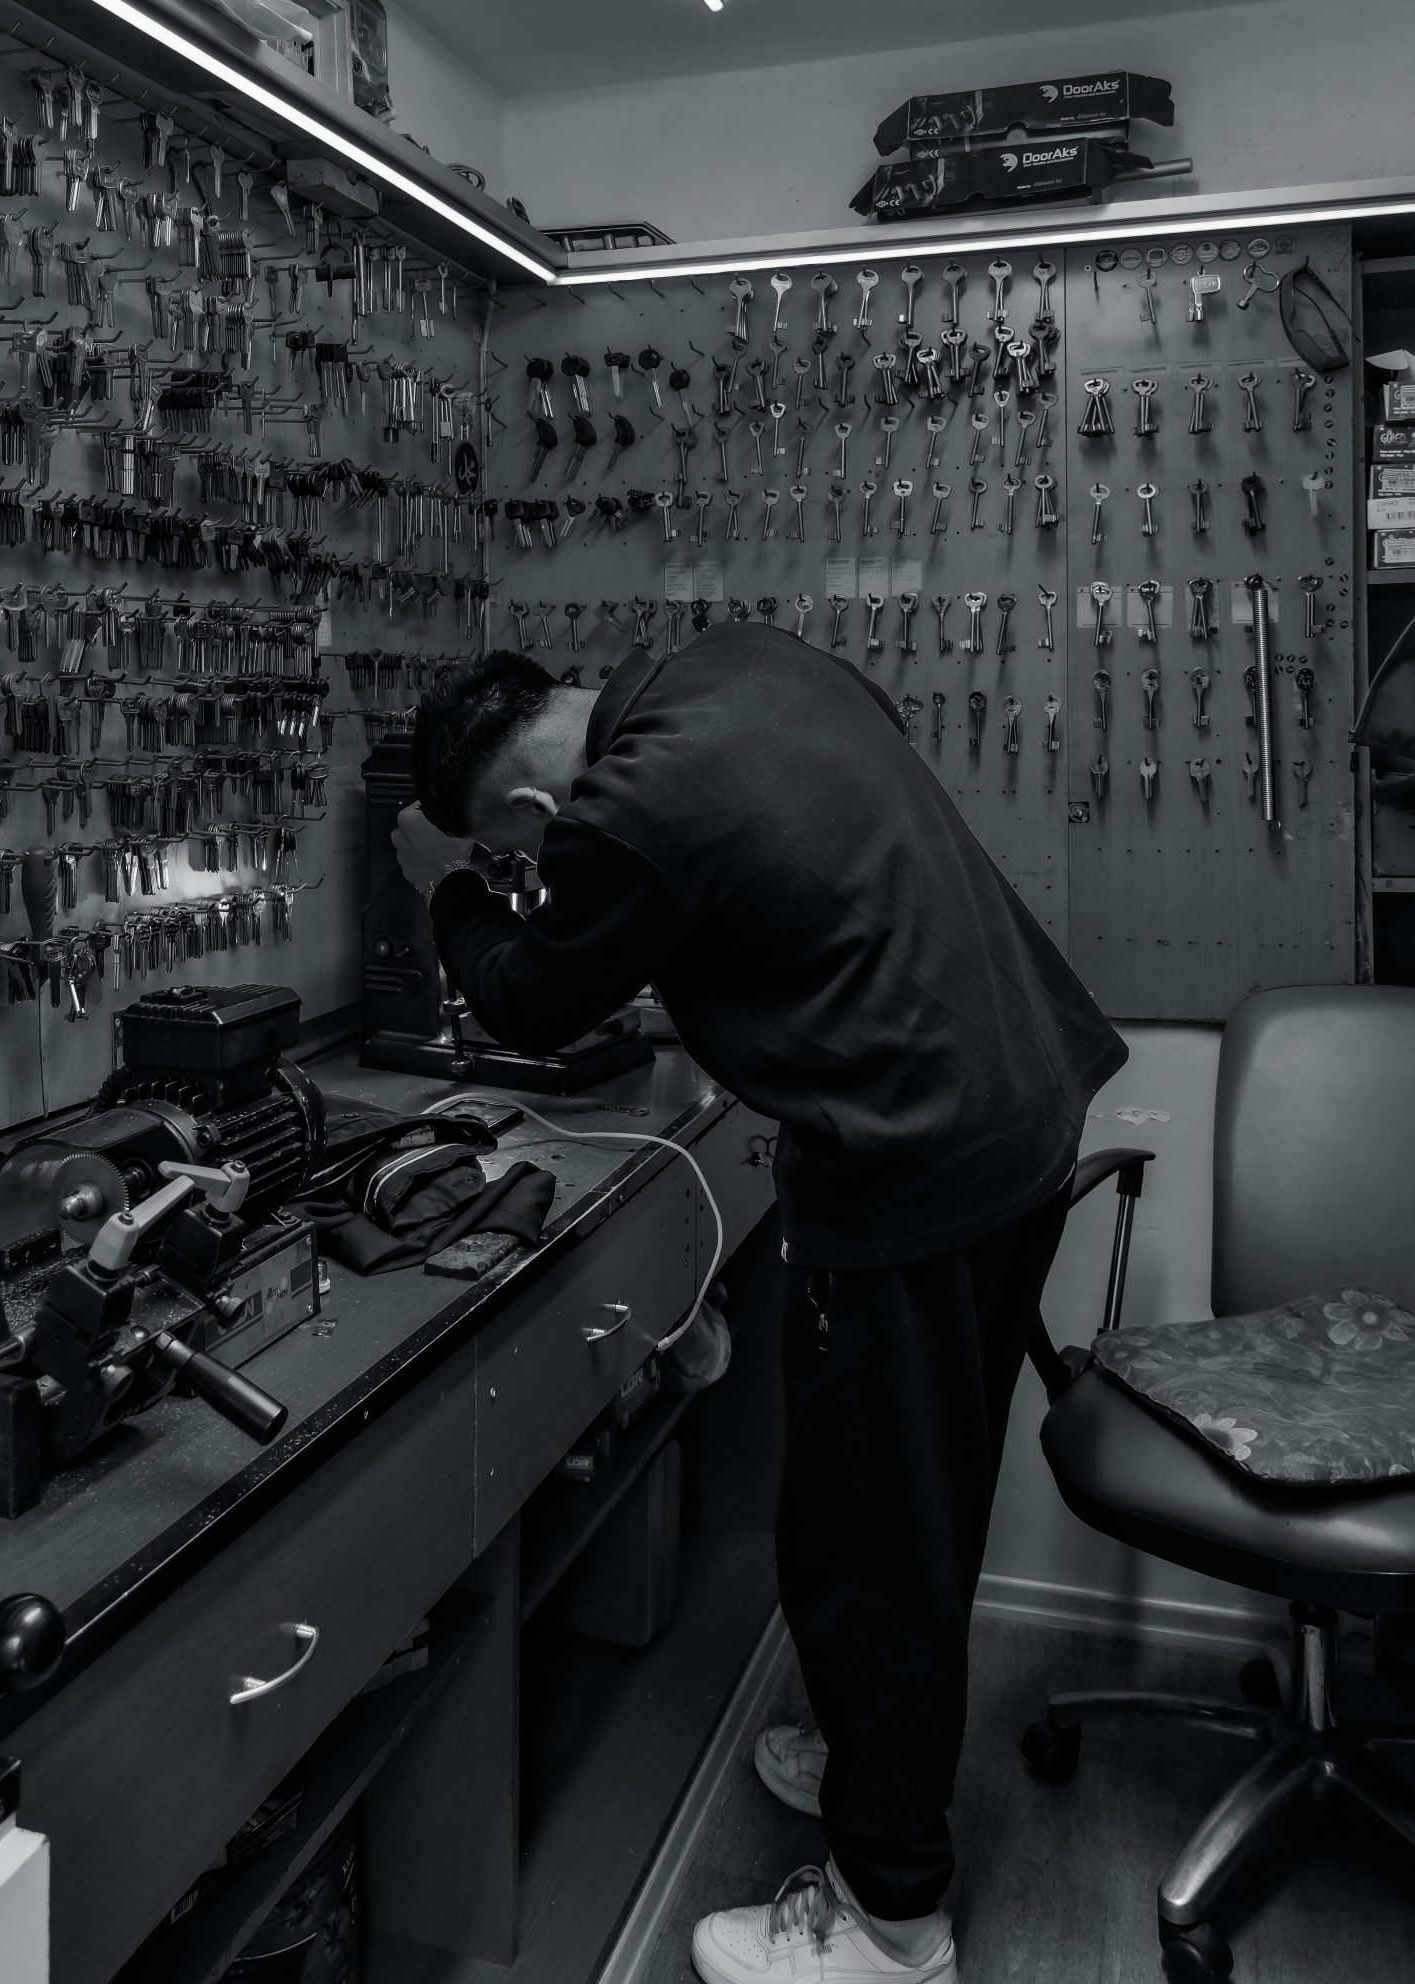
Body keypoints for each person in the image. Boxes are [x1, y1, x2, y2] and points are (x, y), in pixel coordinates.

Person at [396, 623, 1128, 1984]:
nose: (533, 864)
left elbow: (530, 1001)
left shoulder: (621, 808)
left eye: (515, 848)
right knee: (909, 1499)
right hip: (1014, 1118)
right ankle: (871, 1762)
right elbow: (813, 865)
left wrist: (450, 892)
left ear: (534, 805)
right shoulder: (744, 661)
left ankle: (892, 1923)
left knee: (874, 1540)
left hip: (913, 1166)